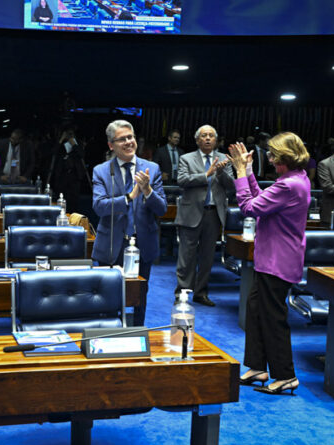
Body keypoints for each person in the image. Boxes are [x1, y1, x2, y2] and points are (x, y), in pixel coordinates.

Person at [227, 133, 311, 395]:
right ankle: (257, 367)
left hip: (278, 261)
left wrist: (240, 172)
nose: (271, 159)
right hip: (273, 259)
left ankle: (285, 376)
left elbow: (249, 207)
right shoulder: (295, 179)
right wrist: (249, 172)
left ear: (286, 156)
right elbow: (263, 199)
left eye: (273, 155)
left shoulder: (289, 185)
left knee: (273, 318)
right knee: (255, 311)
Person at [91, 120, 167, 326]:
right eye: (121, 139)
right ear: (111, 145)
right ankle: (109, 333)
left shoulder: (152, 168)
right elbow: (99, 207)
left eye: (130, 137)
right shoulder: (101, 171)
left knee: (139, 295)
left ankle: (137, 332)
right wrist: (129, 197)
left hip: (142, 243)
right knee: (108, 295)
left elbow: (162, 209)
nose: (128, 142)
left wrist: (148, 191)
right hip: (112, 242)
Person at [174, 125, 235, 307]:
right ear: (197, 140)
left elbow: (232, 185)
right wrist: (205, 175)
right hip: (190, 213)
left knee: (207, 257)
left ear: (216, 140)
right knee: (186, 257)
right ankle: (182, 293)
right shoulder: (186, 158)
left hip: (213, 213)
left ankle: (201, 293)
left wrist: (220, 172)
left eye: (211, 136)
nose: (207, 138)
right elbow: (181, 181)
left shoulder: (224, 159)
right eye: (204, 135)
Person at [48, 127, 86, 212]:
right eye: (67, 134)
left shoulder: (77, 143)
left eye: (71, 134)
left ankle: (73, 215)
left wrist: (74, 144)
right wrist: (61, 139)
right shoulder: (60, 144)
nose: (69, 136)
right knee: (61, 198)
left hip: (74, 175)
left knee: (73, 200)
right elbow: (53, 153)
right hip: (62, 175)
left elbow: (81, 154)